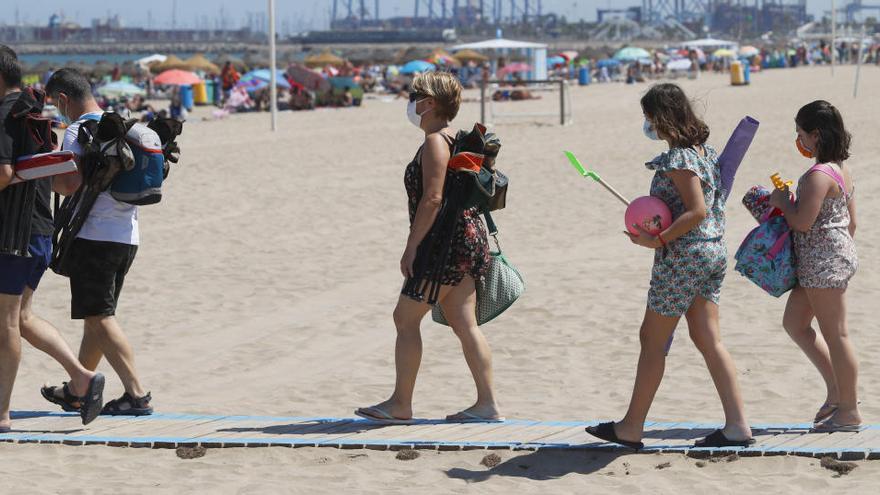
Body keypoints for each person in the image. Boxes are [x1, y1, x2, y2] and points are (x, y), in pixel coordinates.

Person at [586, 83, 753, 449]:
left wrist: (657, 240)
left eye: (649, 117)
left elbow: (696, 211)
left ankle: (631, 427)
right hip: (711, 251)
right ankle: (738, 425)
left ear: (661, 118)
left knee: (652, 339)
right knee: (708, 338)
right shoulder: (703, 151)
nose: (647, 124)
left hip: (684, 257)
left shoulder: (679, 158)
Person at [355, 71, 502, 424]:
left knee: (404, 318)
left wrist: (411, 247)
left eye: (415, 96)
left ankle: (401, 404)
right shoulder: (455, 139)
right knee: (464, 322)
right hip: (468, 239)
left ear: (430, 103)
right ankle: (487, 405)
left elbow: (432, 199)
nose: (410, 102)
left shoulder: (437, 141)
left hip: (445, 243)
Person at [0, 49, 105, 432]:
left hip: (12, 235)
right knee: (21, 318)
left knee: (6, 323)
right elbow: (57, 177)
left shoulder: (5, 115)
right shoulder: (36, 113)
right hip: (39, 231)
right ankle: (82, 377)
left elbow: (4, 173)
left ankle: (2, 415)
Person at [42, 68, 153, 416]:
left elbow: (68, 184)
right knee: (96, 316)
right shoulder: (118, 124)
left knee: (100, 316)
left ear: (63, 99)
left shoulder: (78, 130)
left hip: (95, 237)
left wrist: (41, 174)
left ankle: (137, 394)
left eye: (55, 105)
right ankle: (79, 389)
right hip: (127, 236)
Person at [769, 100, 861, 431]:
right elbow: (851, 223)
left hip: (824, 263)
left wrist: (782, 203)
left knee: (836, 334)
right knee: (795, 323)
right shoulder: (841, 169)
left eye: (801, 134)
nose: (799, 141)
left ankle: (849, 410)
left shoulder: (818, 175)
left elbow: (803, 222)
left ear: (816, 134)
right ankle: (837, 391)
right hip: (826, 260)